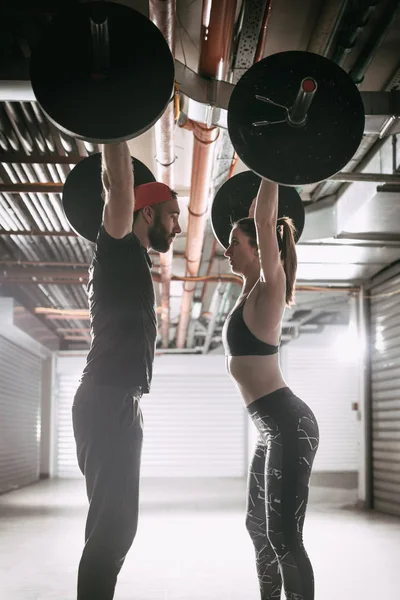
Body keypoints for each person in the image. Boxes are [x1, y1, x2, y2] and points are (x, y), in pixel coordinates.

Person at [71, 141, 181, 600]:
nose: (178, 225)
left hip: (120, 401)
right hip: (106, 398)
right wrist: (116, 126)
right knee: (112, 529)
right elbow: (118, 184)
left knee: (118, 527)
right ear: (147, 212)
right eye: (172, 214)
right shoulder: (117, 246)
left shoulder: (134, 259)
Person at [222, 178, 319, 600]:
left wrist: (270, 166)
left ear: (260, 249)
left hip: (287, 423)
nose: (227, 249)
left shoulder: (270, 287)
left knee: (284, 537)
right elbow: (260, 223)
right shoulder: (249, 294)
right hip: (271, 426)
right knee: (257, 526)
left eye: (234, 242)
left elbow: (265, 220)